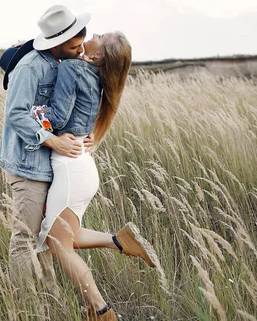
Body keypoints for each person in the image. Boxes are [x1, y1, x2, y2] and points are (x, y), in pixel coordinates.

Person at [32, 31, 157, 320]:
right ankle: (119, 240)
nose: (94, 33)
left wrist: (33, 113)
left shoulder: (72, 68)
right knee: (66, 236)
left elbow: (59, 118)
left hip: (70, 168)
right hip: (82, 168)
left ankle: (101, 311)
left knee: (59, 244)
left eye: (99, 36)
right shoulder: (94, 75)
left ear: (97, 55)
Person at [0, 5, 94, 295]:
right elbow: (16, 112)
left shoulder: (62, 65)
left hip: (51, 165)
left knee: (48, 236)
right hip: (28, 166)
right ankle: (26, 305)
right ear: (57, 44)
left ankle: (49, 297)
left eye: (82, 44)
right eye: (75, 46)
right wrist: (54, 141)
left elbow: (62, 110)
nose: (80, 50)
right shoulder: (30, 67)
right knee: (25, 238)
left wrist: (85, 134)